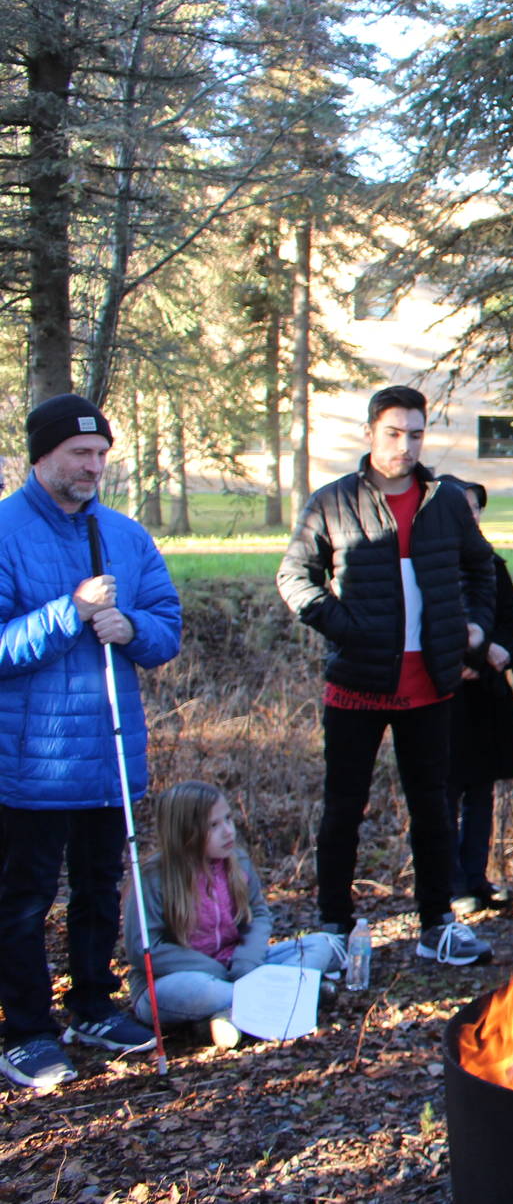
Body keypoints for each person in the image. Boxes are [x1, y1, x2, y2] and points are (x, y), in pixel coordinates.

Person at [275, 384, 495, 968]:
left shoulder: (445, 500)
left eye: (416, 434)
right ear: (370, 433)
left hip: (432, 685)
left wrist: (474, 625)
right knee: (344, 807)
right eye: (394, 433)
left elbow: (481, 569)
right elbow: (295, 578)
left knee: (432, 807)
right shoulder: (332, 501)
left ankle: (437, 924)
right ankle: (331, 926)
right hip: (358, 684)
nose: (405, 445)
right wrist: (347, 626)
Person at [0, 395, 183, 1090]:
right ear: (40, 456)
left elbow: (167, 622)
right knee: (23, 896)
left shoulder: (126, 535)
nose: (93, 465)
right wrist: (66, 613)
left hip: (110, 754)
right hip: (29, 761)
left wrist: (131, 628)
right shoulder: (6, 531)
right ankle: (26, 1028)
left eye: (101, 453)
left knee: (99, 887)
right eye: (80, 453)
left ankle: (90, 1004)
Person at [123, 782, 346, 1049]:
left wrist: (246, 960)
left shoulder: (236, 861)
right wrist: (213, 969)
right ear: (185, 832)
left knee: (318, 945)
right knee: (201, 989)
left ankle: (228, 1017)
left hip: (238, 967)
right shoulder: (153, 877)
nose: (228, 831)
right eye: (213, 826)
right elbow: (144, 949)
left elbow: (259, 915)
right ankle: (289, 998)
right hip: (176, 981)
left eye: (228, 819)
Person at [446, 481, 513, 917]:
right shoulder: (430, 563)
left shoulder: (492, 565)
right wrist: (471, 654)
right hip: (441, 698)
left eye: (475, 508)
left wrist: (501, 651)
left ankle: (476, 878)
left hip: (487, 695)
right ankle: (448, 884)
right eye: (461, 508)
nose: (470, 515)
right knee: (443, 794)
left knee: (481, 792)